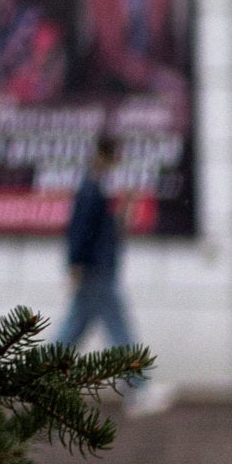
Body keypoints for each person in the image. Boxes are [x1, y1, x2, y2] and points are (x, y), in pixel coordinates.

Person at [58, 141, 139, 363]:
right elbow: (81, 230)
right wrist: (76, 263)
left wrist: (124, 211)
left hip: (97, 268)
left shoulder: (96, 189)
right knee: (117, 326)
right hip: (96, 269)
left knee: (73, 328)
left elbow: (104, 231)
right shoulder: (90, 190)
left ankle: (38, 375)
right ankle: (138, 383)